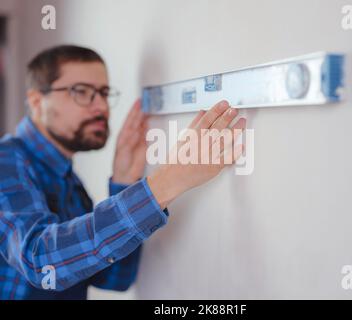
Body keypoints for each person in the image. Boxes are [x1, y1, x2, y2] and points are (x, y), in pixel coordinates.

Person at [0, 45, 246, 299]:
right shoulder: (5, 161)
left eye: (103, 93)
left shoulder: (67, 179)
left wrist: (124, 183)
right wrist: (166, 181)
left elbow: (114, 278)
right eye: (81, 92)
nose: (101, 107)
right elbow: (41, 262)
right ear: (36, 101)